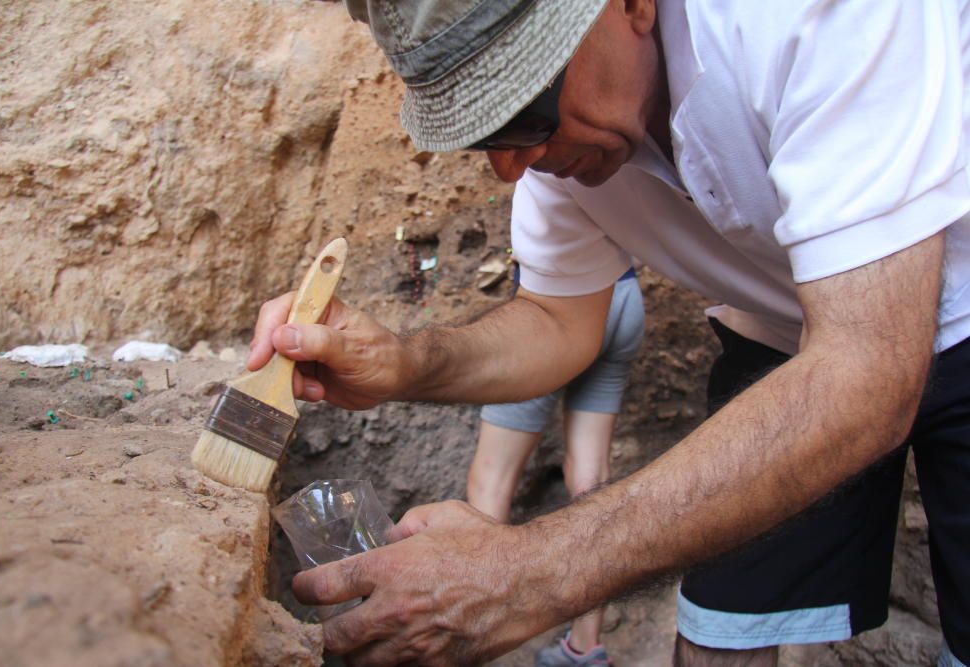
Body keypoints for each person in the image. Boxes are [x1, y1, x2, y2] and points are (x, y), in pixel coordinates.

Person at [245, 1, 970, 665]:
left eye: (526, 104)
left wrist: (528, 572)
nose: (510, 164)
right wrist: (402, 362)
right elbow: (559, 323)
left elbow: (866, 368)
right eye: (484, 133)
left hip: (912, 323)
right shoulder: (563, 144)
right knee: (720, 630)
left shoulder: (806, 16)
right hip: (792, 335)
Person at [468, 264, 643, 667]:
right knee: (591, 483)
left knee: (490, 482)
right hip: (624, 297)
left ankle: (477, 648)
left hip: (559, 306)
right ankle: (584, 649)